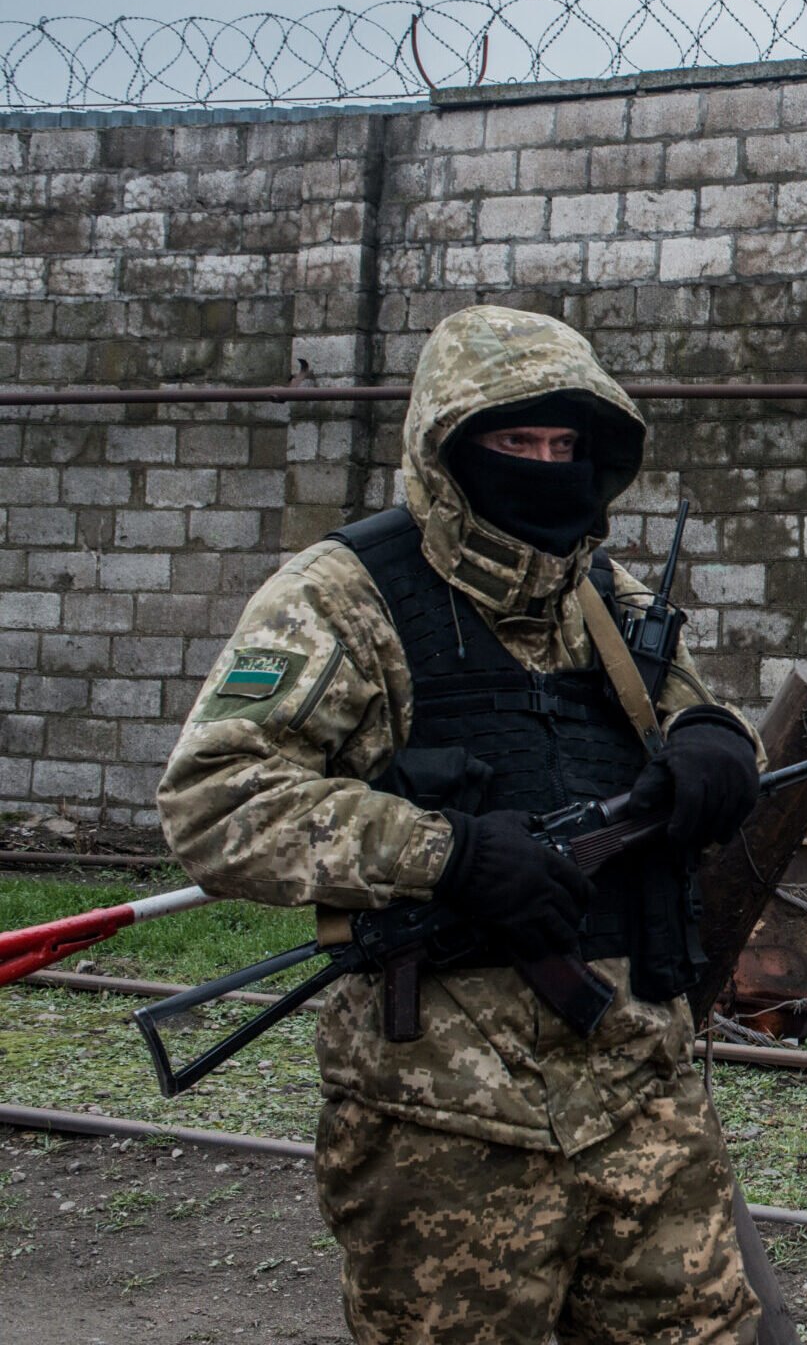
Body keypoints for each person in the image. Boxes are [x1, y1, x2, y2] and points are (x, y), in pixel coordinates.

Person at [158, 305, 767, 1344]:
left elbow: (687, 716)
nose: (542, 466)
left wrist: (715, 740)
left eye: (563, 445)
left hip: (640, 1090)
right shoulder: (341, 599)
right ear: (447, 449)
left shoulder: (607, 600)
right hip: (442, 1122)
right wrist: (446, 851)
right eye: (512, 442)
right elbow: (216, 802)